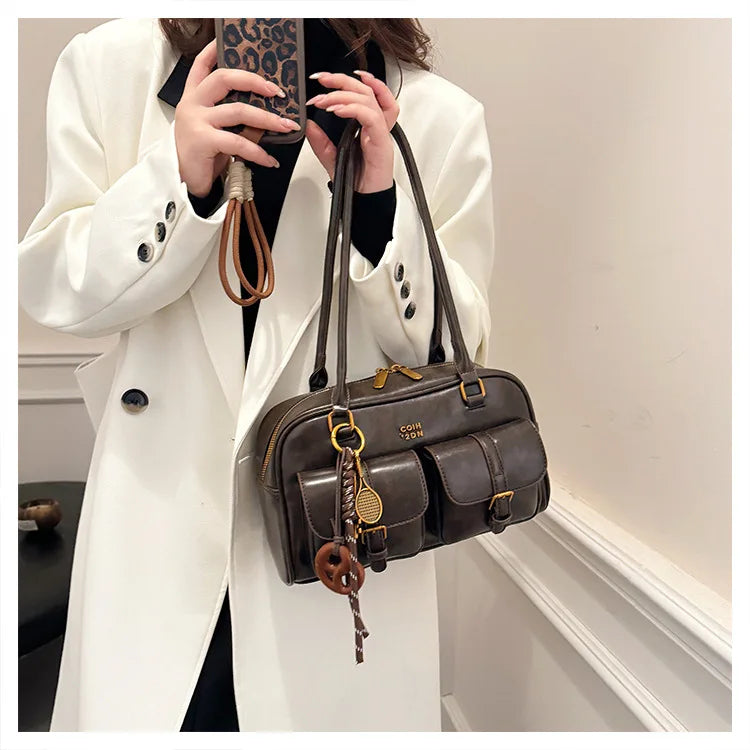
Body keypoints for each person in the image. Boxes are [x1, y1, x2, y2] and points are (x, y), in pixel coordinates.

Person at [17, 17, 494, 731]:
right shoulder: (112, 69)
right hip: (159, 526)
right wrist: (177, 181)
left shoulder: (438, 117)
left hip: (342, 547)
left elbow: (457, 358)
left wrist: (379, 216)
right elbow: (58, 292)